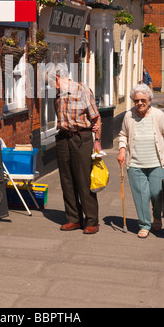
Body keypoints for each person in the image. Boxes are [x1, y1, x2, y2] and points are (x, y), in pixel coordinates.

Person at [47, 64, 102, 234]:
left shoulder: (82, 89)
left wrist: (97, 141)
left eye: (49, 82)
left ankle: (92, 220)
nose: (48, 86)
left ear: (57, 78)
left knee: (83, 180)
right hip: (63, 139)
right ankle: (73, 219)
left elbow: (96, 117)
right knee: (67, 181)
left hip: (81, 138)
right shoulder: (57, 94)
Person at [117, 84, 164, 238]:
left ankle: (157, 216)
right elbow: (123, 134)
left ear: (149, 99)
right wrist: (122, 149)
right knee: (141, 196)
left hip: (157, 163)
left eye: (143, 100)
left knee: (157, 194)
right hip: (135, 164)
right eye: (136, 100)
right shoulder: (128, 116)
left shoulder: (158, 115)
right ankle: (144, 224)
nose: (140, 103)